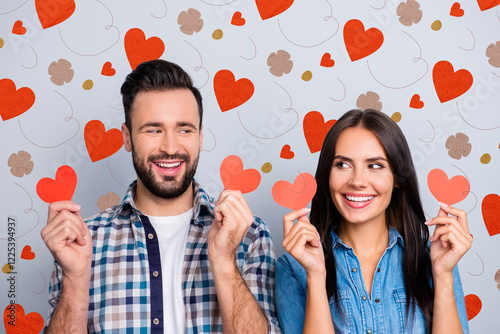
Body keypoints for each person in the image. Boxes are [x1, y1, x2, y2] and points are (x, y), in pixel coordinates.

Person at [41, 59, 281, 333]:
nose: (170, 147)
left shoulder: (249, 235)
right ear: (127, 137)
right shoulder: (82, 241)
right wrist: (74, 278)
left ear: (200, 137)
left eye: (184, 129)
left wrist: (225, 263)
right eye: (154, 130)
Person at [276, 109, 471, 333]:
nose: (357, 181)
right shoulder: (293, 267)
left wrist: (443, 274)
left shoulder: (436, 259)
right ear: (326, 175)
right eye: (342, 165)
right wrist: (317, 275)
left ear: (397, 178)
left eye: (375, 165)